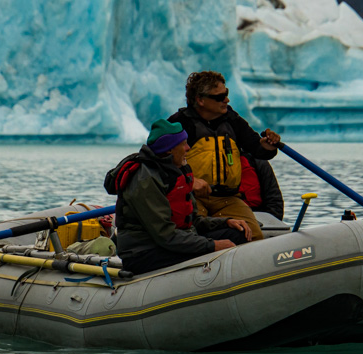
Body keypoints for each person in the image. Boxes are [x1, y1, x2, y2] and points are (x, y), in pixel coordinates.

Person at [104, 119, 251, 275]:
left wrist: (226, 222)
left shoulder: (177, 169)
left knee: (236, 233)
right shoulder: (145, 180)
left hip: (173, 241)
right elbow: (165, 235)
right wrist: (212, 245)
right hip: (145, 251)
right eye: (184, 144)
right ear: (168, 150)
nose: (188, 148)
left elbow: (193, 221)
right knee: (216, 250)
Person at [168, 71, 281, 240]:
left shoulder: (232, 121)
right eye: (220, 97)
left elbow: (257, 148)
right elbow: (159, 164)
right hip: (191, 197)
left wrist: (268, 145)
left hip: (228, 198)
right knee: (193, 235)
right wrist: (189, 182)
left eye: (226, 94)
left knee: (254, 236)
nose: (226, 100)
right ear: (200, 100)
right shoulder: (179, 124)